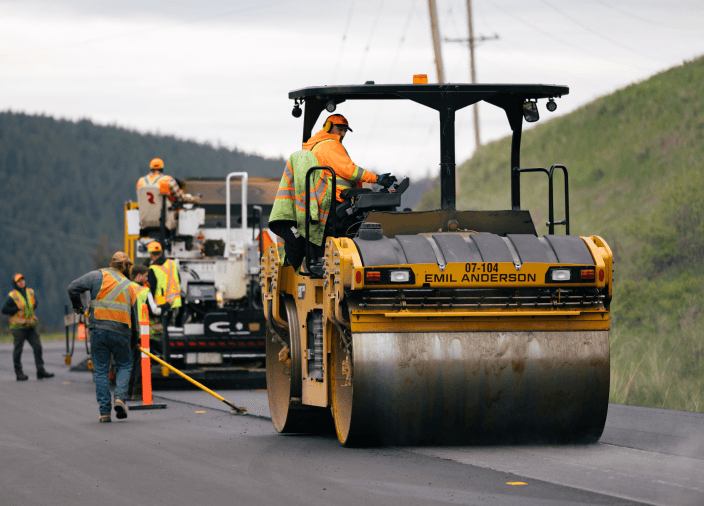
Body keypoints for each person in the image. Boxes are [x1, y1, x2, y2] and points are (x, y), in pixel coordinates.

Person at [269, 114, 397, 269]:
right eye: (340, 129)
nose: (343, 134)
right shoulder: (330, 145)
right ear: (328, 127)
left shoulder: (316, 146)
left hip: (327, 199)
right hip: (334, 198)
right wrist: (376, 178)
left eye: (345, 131)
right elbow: (350, 171)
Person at [67, 252, 141, 423]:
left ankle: (104, 413)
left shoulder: (96, 276)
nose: (129, 269)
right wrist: (134, 341)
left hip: (98, 332)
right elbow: (135, 319)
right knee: (124, 365)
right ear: (123, 266)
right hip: (122, 334)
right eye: (128, 266)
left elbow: (72, 288)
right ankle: (120, 399)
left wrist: (78, 307)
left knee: (101, 371)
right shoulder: (131, 287)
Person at [2, 273, 54, 381]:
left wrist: (34, 304)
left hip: (30, 326)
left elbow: (35, 303)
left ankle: (40, 371)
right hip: (18, 328)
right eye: (19, 281)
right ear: (15, 284)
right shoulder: (13, 296)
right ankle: (19, 373)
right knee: (18, 350)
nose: (21, 282)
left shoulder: (30, 292)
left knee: (38, 347)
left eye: (22, 280)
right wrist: (15, 309)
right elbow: (4, 310)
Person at [146, 241, 182, 329]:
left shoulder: (153, 269)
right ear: (161, 252)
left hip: (161, 304)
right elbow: (179, 280)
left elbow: (151, 289)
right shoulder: (172, 263)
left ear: (150, 254)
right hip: (175, 302)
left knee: (161, 331)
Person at [136, 158, 200, 204]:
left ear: (151, 168)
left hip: (143, 218)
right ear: (162, 168)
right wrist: (196, 199)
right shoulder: (168, 179)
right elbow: (180, 198)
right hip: (163, 219)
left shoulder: (141, 181)